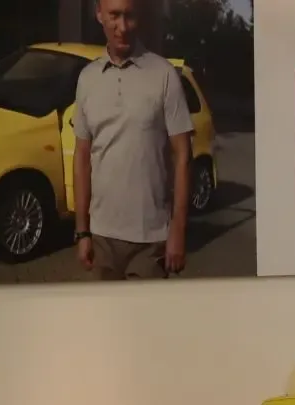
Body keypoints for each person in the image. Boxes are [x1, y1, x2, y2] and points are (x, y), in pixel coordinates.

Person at [72, 0, 193, 280]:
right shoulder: (87, 79)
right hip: (101, 238)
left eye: (130, 16)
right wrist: (82, 232)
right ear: (99, 15)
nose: (123, 27)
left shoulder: (163, 75)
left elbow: (183, 156)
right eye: (114, 16)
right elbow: (82, 157)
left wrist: (178, 230)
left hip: (151, 241)